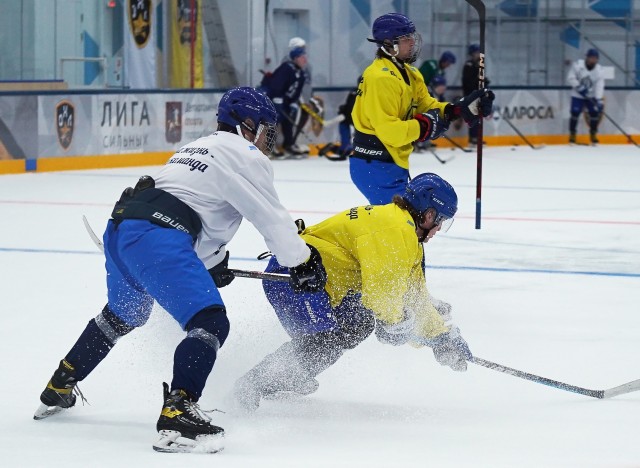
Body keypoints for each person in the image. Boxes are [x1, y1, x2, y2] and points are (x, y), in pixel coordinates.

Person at [34, 87, 327, 453]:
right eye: (266, 129)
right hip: (158, 237)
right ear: (247, 125)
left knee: (122, 315)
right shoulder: (246, 154)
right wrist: (302, 261)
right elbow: (271, 220)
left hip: (123, 228)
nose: (268, 139)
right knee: (210, 321)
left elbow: (194, 211)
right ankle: (178, 410)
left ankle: (61, 382)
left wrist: (209, 265)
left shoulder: (193, 149)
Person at [233, 172, 472, 411]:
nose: (439, 228)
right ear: (429, 214)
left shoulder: (403, 231)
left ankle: (286, 375)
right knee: (324, 338)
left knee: (357, 321)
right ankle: (255, 384)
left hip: (314, 285)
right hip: (296, 278)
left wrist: (440, 337)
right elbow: (381, 295)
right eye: (440, 220)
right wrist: (394, 322)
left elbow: (415, 297)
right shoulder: (395, 231)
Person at [350, 12, 494, 205]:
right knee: (404, 226)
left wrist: (456, 109)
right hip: (374, 165)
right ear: (388, 43)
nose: (412, 42)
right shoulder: (380, 78)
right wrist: (424, 126)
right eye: (405, 38)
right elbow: (390, 131)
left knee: (407, 226)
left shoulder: (411, 73)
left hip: (391, 162)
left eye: (412, 37)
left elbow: (428, 105)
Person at [260, 41, 309, 157]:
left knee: (288, 122)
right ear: (296, 58)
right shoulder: (286, 68)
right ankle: (268, 147)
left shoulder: (301, 73)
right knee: (273, 121)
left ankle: (289, 145)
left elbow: (297, 91)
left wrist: (293, 102)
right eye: (302, 57)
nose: (305, 60)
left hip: (285, 102)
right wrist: (277, 99)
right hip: (274, 100)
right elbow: (276, 85)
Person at [566, 48, 605, 145]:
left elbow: (600, 85)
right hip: (577, 95)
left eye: (595, 58)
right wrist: (579, 87)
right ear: (587, 57)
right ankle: (572, 135)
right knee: (575, 113)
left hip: (591, 95)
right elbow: (570, 78)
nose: (593, 60)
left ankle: (593, 134)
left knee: (594, 113)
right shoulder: (577, 65)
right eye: (591, 58)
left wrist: (599, 99)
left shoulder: (599, 70)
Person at [462, 43, 491, 147]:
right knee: (473, 116)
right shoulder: (469, 65)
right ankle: (472, 139)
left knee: (478, 116)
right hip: (470, 95)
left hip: (477, 95)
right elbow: (468, 82)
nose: (478, 54)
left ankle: (477, 138)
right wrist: (479, 80)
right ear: (472, 53)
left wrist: (485, 83)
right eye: (476, 52)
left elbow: (480, 80)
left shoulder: (479, 64)